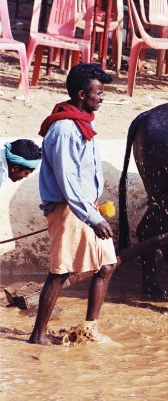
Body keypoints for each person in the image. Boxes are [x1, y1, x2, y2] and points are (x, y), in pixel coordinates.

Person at [28, 63, 118, 345]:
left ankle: (89, 328)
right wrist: (93, 218)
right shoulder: (65, 129)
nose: (102, 98)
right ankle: (38, 335)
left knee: (107, 264)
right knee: (59, 272)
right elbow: (67, 182)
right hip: (69, 210)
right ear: (81, 94)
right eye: (99, 93)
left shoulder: (82, 121)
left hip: (85, 206)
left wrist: (93, 207)